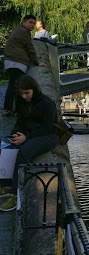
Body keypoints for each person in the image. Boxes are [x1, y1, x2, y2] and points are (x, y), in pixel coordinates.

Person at [0, 76, 60, 208]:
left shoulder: (47, 103)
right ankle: (5, 182)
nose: (24, 96)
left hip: (48, 136)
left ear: (34, 89)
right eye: (21, 93)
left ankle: (16, 192)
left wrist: (26, 137)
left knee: (24, 151)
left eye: (26, 93)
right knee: (5, 145)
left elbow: (47, 128)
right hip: (29, 133)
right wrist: (14, 135)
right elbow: (20, 122)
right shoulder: (21, 101)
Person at [2, 15, 45, 117]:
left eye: (34, 24)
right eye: (30, 22)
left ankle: (9, 108)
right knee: (18, 87)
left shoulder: (17, 30)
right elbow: (29, 48)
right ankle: (12, 109)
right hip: (17, 62)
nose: (32, 25)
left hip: (10, 61)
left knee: (13, 85)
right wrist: (37, 62)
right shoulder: (24, 32)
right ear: (24, 22)